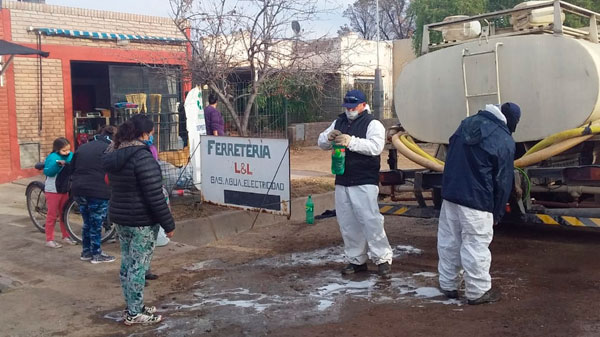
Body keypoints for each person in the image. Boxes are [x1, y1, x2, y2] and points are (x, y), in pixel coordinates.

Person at [437, 102, 521, 305]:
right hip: (477, 200)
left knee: (450, 241)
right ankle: (478, 291)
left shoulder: (466, 123)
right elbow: (502, 181)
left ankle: (448, 285)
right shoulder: (504, 139)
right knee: (475, 245)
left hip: (451, 196)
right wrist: (497, 212)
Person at [102, 114, 175, 325]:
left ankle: (133, 305)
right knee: (138, 267)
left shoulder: (115, 153)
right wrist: (168, 224)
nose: (152, 136)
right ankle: (134, 313)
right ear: (144, 134)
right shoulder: (142, 157)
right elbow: (154, 194)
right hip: (141, 221)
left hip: (121, 218)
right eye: (151, 133)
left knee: (127, 263)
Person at [317, 89, 393, 277]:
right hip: (343, 178)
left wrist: (351, 141)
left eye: (353, 106)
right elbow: (321, 142)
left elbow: (375, 147)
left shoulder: (373, 124)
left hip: (364, 179)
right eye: (347, 107)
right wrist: (328, 137)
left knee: (370, 220)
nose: (349, 110)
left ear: (362, 105)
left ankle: (382, 258)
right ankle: (356, 259)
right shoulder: (339, 121)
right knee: (347, 222)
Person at [70, 126, 117, 263]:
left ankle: (86, 252)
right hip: (98, 190)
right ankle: (96, 254)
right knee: (96, 223)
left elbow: (71, 167)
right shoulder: (110, 148)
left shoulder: (84, 147)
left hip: (78, 189)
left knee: (87, 222)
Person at [43, 137, 76, 248]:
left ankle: (65, 236)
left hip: (65, 188)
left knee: (64, 214)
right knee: (52, 215)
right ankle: (49, 239)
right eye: (64, 151)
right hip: (53, 190)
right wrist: (58, 165)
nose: (67, 152)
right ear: (57, 149)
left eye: (68, 150)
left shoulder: (71, 155)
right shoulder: (52, 157)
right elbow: (48, 172)